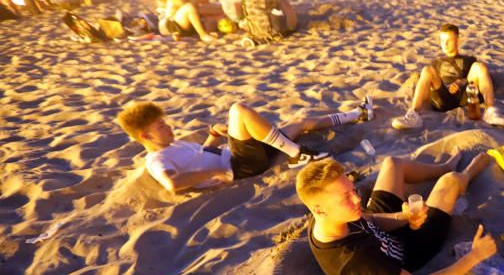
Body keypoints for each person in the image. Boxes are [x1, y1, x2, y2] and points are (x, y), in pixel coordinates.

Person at [297, 153, 496, 275]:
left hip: (383, 233)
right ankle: (468, 174)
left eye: (353, 190)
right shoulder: (355, 261)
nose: (358, 198)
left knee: (392, 164)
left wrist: (404, 217)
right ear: (320, 210)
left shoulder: (330, 218)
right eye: (346, 197)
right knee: (451, 180)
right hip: (410, 249)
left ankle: (443, 166)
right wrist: (475, 256)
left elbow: (370, 219)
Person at [117, 98, 372, 194]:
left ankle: (356, 114)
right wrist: (212, 173)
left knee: (298, 124)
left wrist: (214, 136)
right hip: (239, 166)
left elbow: (202, 155)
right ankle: (298, 154)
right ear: (144, 135)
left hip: (237, 157)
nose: (168, 127)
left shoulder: (172, 144)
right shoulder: (156, 160)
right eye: (160, 126)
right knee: (238, 110)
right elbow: (173, 184)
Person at [391, 23, 504, 130]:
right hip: (443, 98)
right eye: (442, 41)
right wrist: (446, 86)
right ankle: (414, 114)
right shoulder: (437, 63)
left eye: (448, 40)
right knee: (426, 70)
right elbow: (431, 83)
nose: (445, 44)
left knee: (480, 66)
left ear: (458, 41)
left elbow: (477, 78)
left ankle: (490, 110)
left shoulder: (469, 60)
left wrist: (460, 82)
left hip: (465, 95)